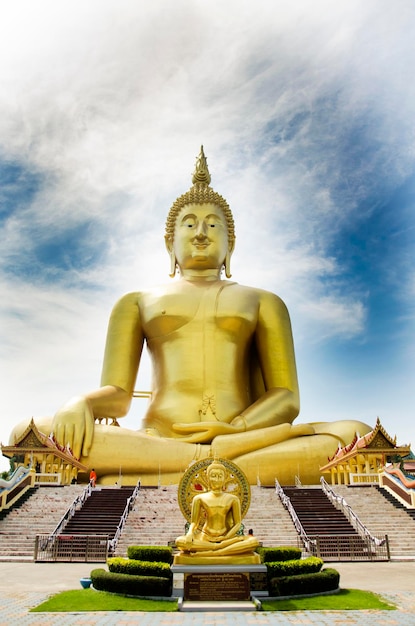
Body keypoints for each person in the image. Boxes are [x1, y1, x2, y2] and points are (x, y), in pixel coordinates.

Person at [9, 147, 370, 485]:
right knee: (33, 430)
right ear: (170, 243)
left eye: (213, 226)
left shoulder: (263, 301)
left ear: (231, 244)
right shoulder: (136, 301)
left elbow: (286, 397)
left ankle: (156, 473)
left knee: (355, 433)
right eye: (189, 224)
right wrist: (81, 403)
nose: (200, 233)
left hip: (244, 439)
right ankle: (215, 468)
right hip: (157, 440)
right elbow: (119, 396)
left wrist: (237, 428)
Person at [175, 459, 259, 558]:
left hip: (227, 538)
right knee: (180, 542)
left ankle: (215, 552)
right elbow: (194, 523)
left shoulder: (233, 499)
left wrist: (226, 537)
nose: (216, 479)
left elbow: (237, 524)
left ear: (224, 479)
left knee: (253, 542)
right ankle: (218, 548)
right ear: (207, 478)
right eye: (213, 476)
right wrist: (189, 534)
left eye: (220, 476)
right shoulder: (199, 498)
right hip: (205, 537)